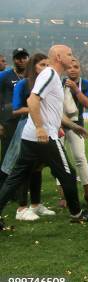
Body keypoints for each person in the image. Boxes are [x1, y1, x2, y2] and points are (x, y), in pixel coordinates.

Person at [0, 45, 88, 231]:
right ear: (59, 57)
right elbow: (32, 100)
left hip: (32, 136)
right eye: (69, 54)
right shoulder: (51, 75)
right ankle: (77, 214)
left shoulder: (53, 76)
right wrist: (40, 128)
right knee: (68, 175)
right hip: (44, 136)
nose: (72, 57)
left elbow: (50, 109)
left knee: (16, 177)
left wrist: (72, 125)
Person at [2, 53, 55, 221]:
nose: (46, 68)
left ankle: (36, 205)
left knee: (38, 167)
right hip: (25, 128)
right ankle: (22, 208)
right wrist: (35, 109)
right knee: (24, 167)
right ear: (33, 67)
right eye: (42, 65)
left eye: (48, 65)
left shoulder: (49, 84)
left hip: (45, 128)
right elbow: (16, 109)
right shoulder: (23, 84)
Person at [57, 60, 88, 208]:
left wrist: (76, 89)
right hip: (58, 126)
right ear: (66, 69)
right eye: (70, 67)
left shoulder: (86, 84)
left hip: (76, 126)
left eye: (76, 67)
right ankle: (63, 196)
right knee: (60, 160)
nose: (72, 70)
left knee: (80, 158)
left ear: (80, 69)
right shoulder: (58, 83)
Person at [0, 48, 29, 186]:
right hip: (9, 121)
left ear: (28, 59)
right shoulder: (5, 76)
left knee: (23, 155)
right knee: (7, 155)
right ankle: (4, 187)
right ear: (14, 60)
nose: (21, 60)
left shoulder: (32, 76)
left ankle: (18, 188)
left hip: (26, 121)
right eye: (18, 58)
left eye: (24, 57)